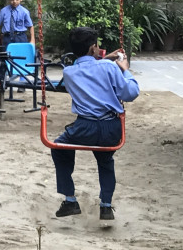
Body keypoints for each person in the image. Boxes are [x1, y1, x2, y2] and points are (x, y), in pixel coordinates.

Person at [51, 26, 140, 222]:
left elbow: (87, 70)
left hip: (84, 129)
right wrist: (125, 70)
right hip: (111, 128)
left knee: (59, 148)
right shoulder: (109, 67)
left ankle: (70, 200)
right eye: (97, 46)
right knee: (105, 159)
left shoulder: (69, 73)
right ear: (93, 48)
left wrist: (105, 59)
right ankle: (106, 206)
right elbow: (131, 93)